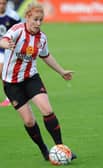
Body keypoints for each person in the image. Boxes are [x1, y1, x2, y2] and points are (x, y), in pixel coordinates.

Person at [0, 2, 77, 161]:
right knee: (29, 121)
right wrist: (5, 43)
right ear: (27, 17)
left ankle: (61, 149)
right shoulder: (17, 30)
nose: (38, 23)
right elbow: (4, 39)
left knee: (48, 111)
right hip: (12, 84)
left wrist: (61, 71)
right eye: (35, 19)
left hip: (31, 79)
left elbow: (46, 56)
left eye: (41, 20)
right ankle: (44, 150)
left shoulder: (41, 38)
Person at [0, 0, 21, 106]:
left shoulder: (13, 16)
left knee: (3, 72)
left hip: (8, 50)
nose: (1, 5)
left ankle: (9, 97)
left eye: (3, 3)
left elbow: (21, 30)